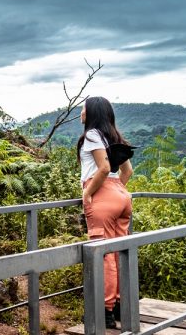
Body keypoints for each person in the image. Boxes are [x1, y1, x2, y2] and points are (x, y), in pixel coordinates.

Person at [77, 96, 133, 329]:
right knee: (119, 251)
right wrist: (115, 190)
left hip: (101, 194)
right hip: (120, 195)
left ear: (91, 113)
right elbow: (127, 171)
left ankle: (105, 310)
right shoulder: (114, 136)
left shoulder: (92, 135)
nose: (80, 113)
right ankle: (120, 305)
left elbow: (103, 168)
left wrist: (88, 194)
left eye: (83, 109)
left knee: (104, 255)